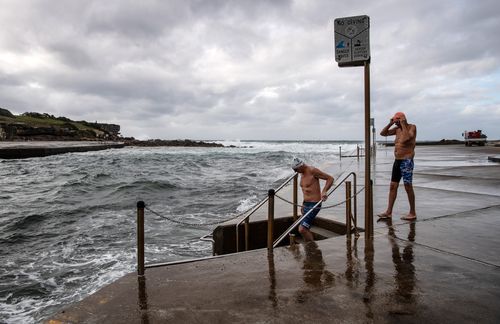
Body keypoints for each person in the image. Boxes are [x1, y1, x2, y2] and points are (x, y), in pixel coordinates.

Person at [378, 112, 417, 221]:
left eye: (398, 120)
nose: (397, 123)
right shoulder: (396, 129)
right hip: (397, 161)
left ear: (403, 120)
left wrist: (403, 123)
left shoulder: (411, 127)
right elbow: (383, 133)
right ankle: (389, 212)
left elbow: (406, 138)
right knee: (392, 186)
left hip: (407, 160)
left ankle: (412, 212)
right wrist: (390, 123)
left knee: (407, 186)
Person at [291, 158, 334, 241]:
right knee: (305, 229)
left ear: (301, 166)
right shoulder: (302, 173)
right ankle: (308, 247)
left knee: (302, 229)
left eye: (296, 170)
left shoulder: (312, 170)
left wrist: (324, 191)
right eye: (294, 170)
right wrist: (303, 204)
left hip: (314, 204)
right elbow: (306, 190)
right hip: (306, 204)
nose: (295, 172)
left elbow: (330, 178)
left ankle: (313, 248)